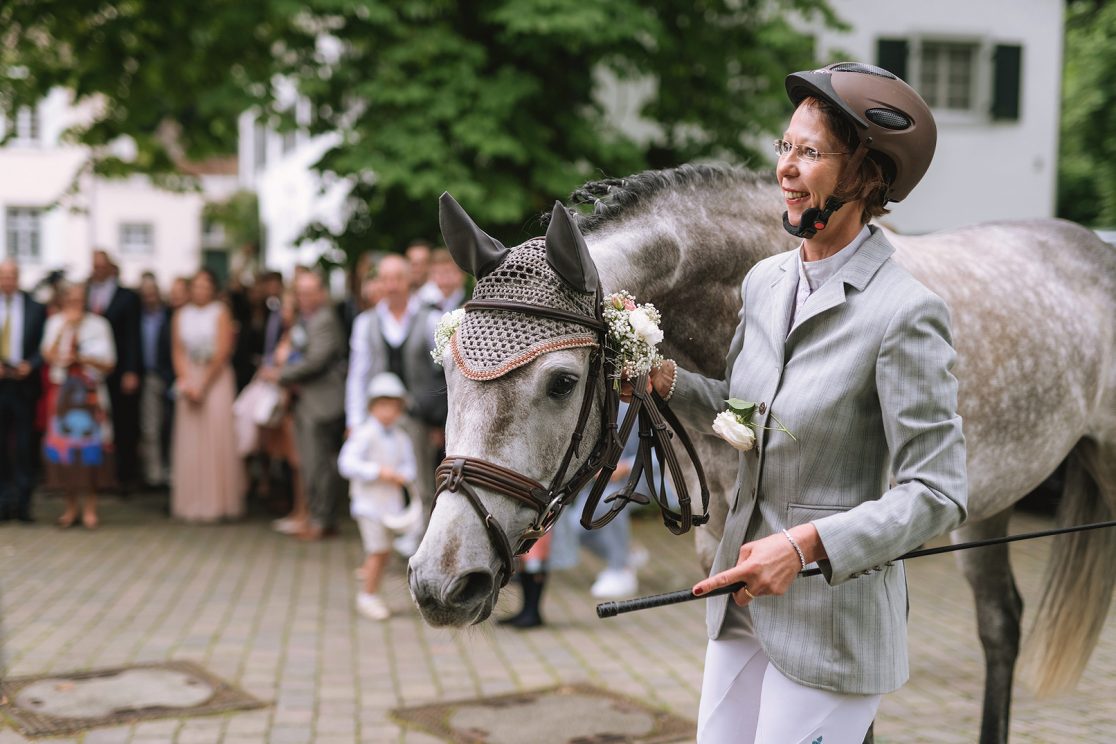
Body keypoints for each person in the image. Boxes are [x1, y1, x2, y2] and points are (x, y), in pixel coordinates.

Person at [648, 63, 967, 743]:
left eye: (811, 153)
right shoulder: (765, 281)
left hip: (832, 628)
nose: (786, 169)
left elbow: (938, 491)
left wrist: (804, 545)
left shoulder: (907, 314)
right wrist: (665, 381)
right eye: (784, 147)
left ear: (869, 177)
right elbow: (746, 418)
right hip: (740, 608)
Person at [344, 254, 446, 556]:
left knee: (420, 479)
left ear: (408, 280)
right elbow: (357, 374)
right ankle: (381, 544)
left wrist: (439, 419)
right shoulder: (366, 322)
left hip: (416, 415)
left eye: (396, 278)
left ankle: (424, 543)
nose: (390, 285)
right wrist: (354, 420)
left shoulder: (429, 318)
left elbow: (442, 370)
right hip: (377, 416)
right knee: (381, 479)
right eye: (384, 279)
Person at [266, 271, 346, 541]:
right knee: (311, 463)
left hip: (322, 401)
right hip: (307, 401)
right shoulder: (304, 318)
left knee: (318, 464)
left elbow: (316, 360)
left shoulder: (324, 319)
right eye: (300, 292)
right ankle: (318, 517)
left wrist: (280, 374)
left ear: (321, 293)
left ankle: (322, 521)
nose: (305, 297)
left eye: (310, 292)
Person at [337, 372, 417, 621]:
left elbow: (409, 466)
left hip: (389, 506)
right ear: (372, 407)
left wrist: (401, 474)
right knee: (378, 550)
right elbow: (346, 463)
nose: (388, 412)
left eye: (393, 407)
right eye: (382, 406)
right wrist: (377, 472)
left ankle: (372, 591)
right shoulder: (364, 434)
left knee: (384, 552)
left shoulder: (401, 436)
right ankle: (367, 596)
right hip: (368, 505)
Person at [41, 282, 116, 529]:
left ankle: (91, 508)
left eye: (79, 300)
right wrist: (66, 328)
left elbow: (110, 363)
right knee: (65, 453)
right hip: (64, 397)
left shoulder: (99, 325)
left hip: (90, 396)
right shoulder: (55, 323)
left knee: (90, 452)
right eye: (71, 300)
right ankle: (70, 507)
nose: (76, 305)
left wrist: (84, 358)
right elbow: (48, 355)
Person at [170, 269, 244, 522]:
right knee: (191, 440)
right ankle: (191, 502)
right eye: (196, 285)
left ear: (212, 288)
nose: (200, 290)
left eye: (205, 285)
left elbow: (223, 351)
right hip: (190, 375)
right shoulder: (181, 315)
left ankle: (218, 502)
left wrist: (203, 384)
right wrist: (187, 381)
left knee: (216, 436)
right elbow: (178, 350)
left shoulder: (220, 312)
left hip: (216, 377)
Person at [87, 250, 142, 491]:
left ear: (111, 268)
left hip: (119, 369)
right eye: (94, 266)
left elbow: (132, 336)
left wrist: (131, 370)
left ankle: (124, 475)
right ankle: (97, 475)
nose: (98, 270)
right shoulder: (86, 292)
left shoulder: (127, 297)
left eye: (102, 266)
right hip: (91, 370)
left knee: (123, 422)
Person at [0, 260, 46, 522]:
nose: (7, 280)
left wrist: (32, 364)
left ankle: (25, 503)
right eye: (3, 276)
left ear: (18, 278)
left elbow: (44, 345)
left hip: (24, 386)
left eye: (11, 276)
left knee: (25, 447)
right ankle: (3, 502)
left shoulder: (35, 307)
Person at [137, 272, 171, 489]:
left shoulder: (169, 315)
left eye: (153, 293)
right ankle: (154, 475)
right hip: (147, 377)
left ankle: (170, 472)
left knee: (169, 427)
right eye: (146, 294)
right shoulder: (137, 317)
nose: (150, 297)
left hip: (167, 375)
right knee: (150, 428)